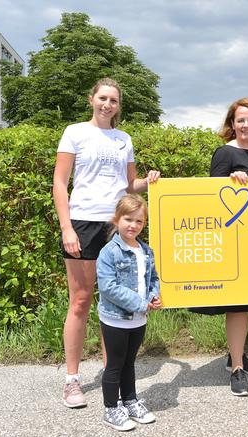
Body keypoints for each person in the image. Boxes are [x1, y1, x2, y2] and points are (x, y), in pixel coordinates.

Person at [53, 78, 160, 408]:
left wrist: (149, 181)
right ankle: (72, 380)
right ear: (92, 100)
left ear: (118, 105)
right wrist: (67, 227)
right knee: (81, 300)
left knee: (114, 302)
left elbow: (130, 185)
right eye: (103, 98)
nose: (107, 104)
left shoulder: (123, 139)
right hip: (83, 223)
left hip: (116, 228)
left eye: (113, 100)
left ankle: (109, 373)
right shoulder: (75, 132)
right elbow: (59, 182)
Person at [190, 97, 248, 397]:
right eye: (241, 120)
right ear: (232, 124)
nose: (246, 125)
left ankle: (236, 355)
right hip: (233, 239)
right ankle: (237, 369)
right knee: (237, 303)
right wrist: (230, 180)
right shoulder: (224, 153)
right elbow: (213, 195)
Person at [96, 194, 161, 431]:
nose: (133, 225)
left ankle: (130, 401)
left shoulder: (146, 251)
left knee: (130, 363)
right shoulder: (109, 252)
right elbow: (108, 287)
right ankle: (111, 408)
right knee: (115, 364)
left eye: (139, 221)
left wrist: (154, 296)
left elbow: (153, 278)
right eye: (128, 219)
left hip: (138, 319)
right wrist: (140, 303)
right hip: (115, 319)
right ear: (116, 220)